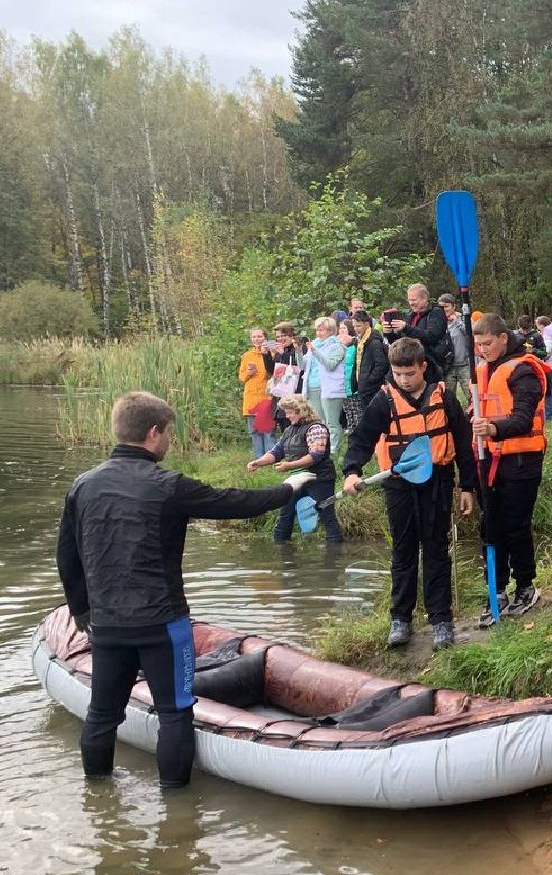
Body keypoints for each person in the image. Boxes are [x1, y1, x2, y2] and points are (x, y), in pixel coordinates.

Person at [56, 392, 307, 788]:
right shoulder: (168, 485)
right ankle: (176, 811)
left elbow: (67, 556)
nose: (170, 441)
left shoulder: (83, 485)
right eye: (169, 433)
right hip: (162, 623)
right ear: (153, 433)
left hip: (107, 623)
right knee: (174, 714)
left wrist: (82, 611)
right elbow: (234, 502)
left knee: (102, 714)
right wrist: (288, 489)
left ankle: (98, 802)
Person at [344, 336, 477, 651]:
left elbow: (463, 443)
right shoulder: (384, 400)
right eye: (398, 374)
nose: (404, 380)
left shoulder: (444, 397)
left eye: (410, 374)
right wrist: (351, 471)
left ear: (423, 367)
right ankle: (400, 618)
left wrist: (468, 486)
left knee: (436, 549)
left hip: (438, 481)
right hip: (399, 484)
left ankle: (440, 619)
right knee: (403, 551)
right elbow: (362, 438)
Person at [470, 313, 549, 624]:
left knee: (515, 526)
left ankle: (525, 586)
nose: (482, 349)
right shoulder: (481, 370)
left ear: (503, 338)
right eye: (478, 344)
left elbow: (523, 419)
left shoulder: (524, 371)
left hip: (520, 462)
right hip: (488, 460)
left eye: (487, 343)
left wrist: (492, 429)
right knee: (490, 527)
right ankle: (497, 589)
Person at [246, 394, 343, 544]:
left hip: (319, 478)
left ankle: (335, 550)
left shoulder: (316, 428)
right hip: (297, 478)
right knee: (285, 512)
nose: (287, 416)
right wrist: (259, 462)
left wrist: (289, 465)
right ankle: (281, 546)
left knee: (326, 515)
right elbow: (277, 452)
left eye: (290, 412)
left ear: (301, 411)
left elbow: (316, 455)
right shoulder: (289, 430)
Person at [382, 284, 452, 384]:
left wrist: (406, 328)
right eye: (409, 300)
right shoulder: (409, 316)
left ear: (424, 299)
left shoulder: (436, 312)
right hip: (409, 365)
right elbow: (400, 343)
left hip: (430, 366)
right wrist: (389, 333)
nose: (411, 303)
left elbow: (432, 336)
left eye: (414, 300)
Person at [307, 315, 348, 451]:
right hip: (313, 386)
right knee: (320, 422)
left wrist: (315, 351)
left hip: (331, 387)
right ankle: (322, 448)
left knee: (332, 422)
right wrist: (298, 351)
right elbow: (303, 366)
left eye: (321, 330)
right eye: (317, 330)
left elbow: (330, 365)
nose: (318, 333)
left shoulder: (337, 346)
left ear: (331, 331)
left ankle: (334, 450)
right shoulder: (315, 344)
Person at [238, 326, 275, 458]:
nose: (256, 339)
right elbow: (241, 377)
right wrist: (249, 373)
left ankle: (270, 458)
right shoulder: (247, 355)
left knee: (268, 430)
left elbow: (275, 372)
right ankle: (259, 459)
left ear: (265, 338)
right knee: (254, 431)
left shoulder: (272, 352)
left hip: (266, 398)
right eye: (254, 337)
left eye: (259, 336)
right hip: (251, 399)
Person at [267, 321, 304, 437]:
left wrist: (283, 354)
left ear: (291, 335)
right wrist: (265, 355)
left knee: (296, 428)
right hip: (282, 394)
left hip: (296, 393)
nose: (281, 339)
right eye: (278, 337)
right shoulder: (279, 352)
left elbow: (299, 366)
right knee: (285, 428)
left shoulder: (298, 348)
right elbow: (271, 370)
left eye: (284, 336)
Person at [352, 309, 389, 407]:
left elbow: (381, 365)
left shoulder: (374, 342)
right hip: (363, 387)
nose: (356, 329)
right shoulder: (359, 342)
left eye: (358, 326)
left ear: (367, 324)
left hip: (372, 389)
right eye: (354, 326)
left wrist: (369, 380)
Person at [440, 293, 471, 408]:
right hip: (448, 367)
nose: (444, 309)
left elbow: (470, 333)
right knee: (449, 398)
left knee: (471, 395)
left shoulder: (462, 318)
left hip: (464, 365)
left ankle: (472, 415)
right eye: (441, 307)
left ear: (453, 306)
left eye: (446, 306)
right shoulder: (439, 323)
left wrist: (457, 321)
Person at [337, 319, 364, 435]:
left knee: (356, 411)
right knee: (348, 411)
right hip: (342, 384)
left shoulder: (355, 344)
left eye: (344, 328)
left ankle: (359, 433)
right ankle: (351, 432)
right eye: (340, 328)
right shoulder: (338, 345)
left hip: (352, 384)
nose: (341, 331)